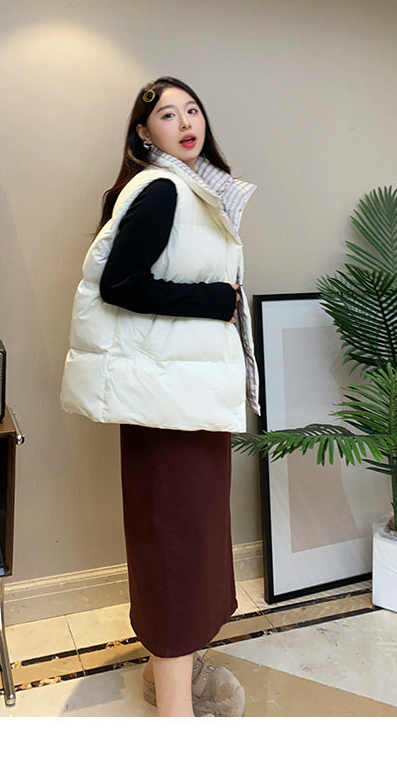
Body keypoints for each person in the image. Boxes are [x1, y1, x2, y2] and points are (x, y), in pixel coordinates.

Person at [60, 76, 261, 717]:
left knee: (181, 542)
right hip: (169, 405)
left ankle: (166, 679)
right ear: (144, 134)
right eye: (168, 115)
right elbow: (120, 284)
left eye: (192, 109)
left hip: (183, 398)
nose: (185, 122)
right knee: (177, 548)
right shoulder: (165, 188)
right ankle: (176, 714)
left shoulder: (193, 189)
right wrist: (216, 299)